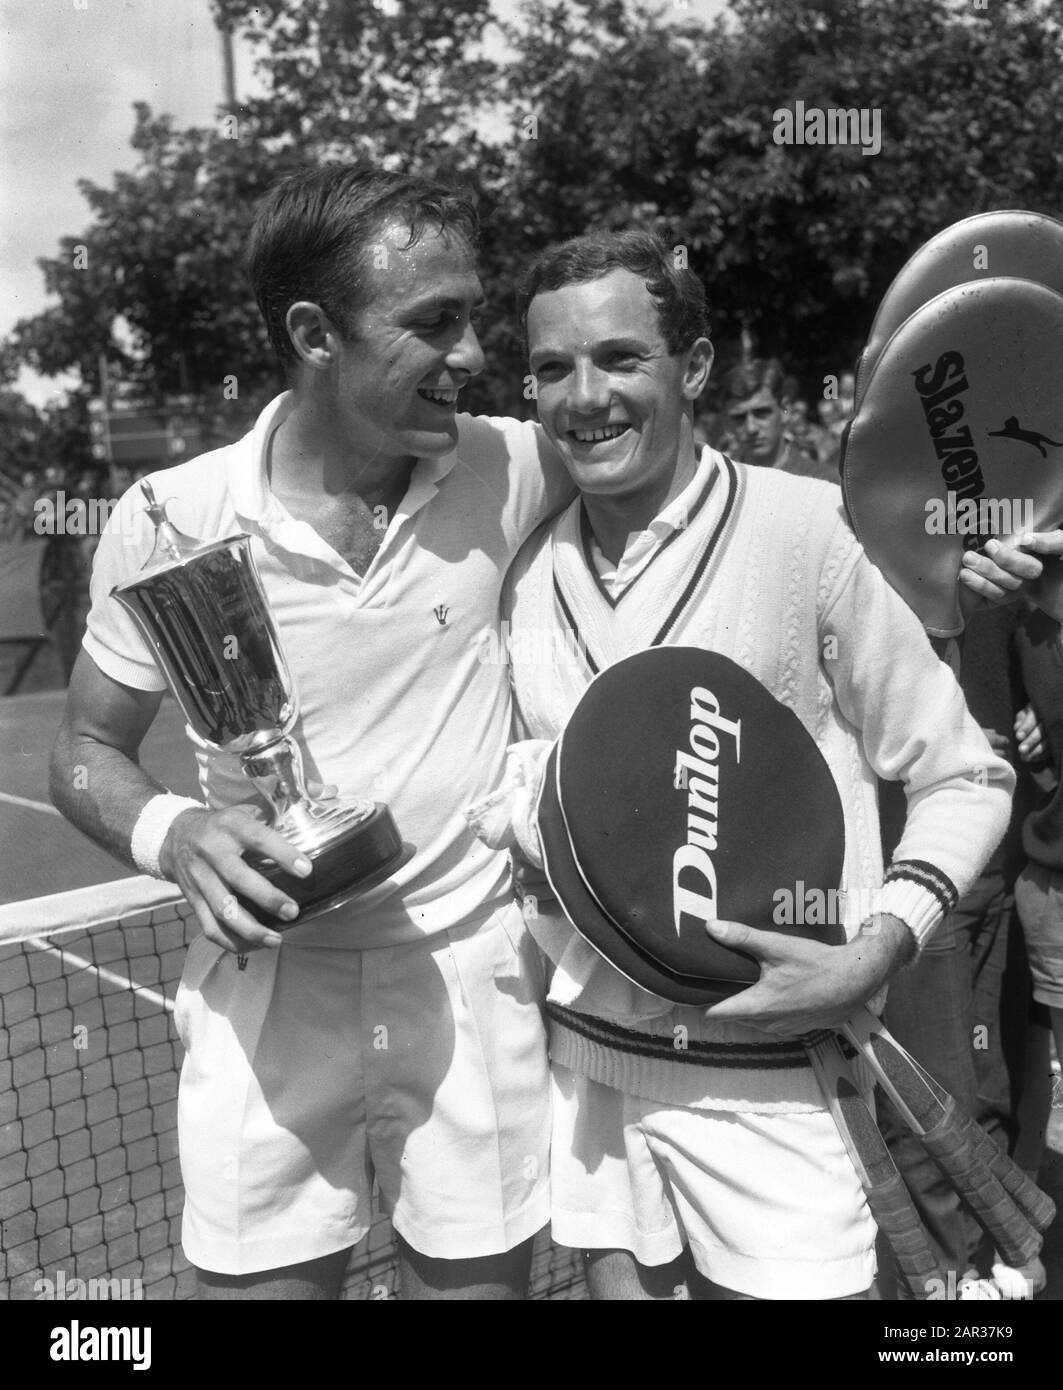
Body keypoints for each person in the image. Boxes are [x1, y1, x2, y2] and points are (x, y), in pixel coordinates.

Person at [49, 165, 574, 1300]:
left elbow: (696, 495)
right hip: (268, 1000)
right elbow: (85, 749)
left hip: (474, 984)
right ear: (313, 333)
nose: (474, 353)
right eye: (432, 323)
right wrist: (176, 834)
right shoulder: (168, 518)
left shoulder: (516, 464)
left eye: (471, 314)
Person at [484, 228, 1015, 1300]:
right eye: (551, 369)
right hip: (589, 1068)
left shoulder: (808, 528)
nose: (582, 396)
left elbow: (964, 773)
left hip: (780, 1079)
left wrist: (874, 948)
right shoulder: (527, 573)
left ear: (696, 365)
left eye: (620, 357)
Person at [719, 357, 836, 481]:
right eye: (739, 417)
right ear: (727, 423)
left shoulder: (823, 481)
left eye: (762, 413)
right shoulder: (721, 483)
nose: (751, 428)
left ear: (784, 410)